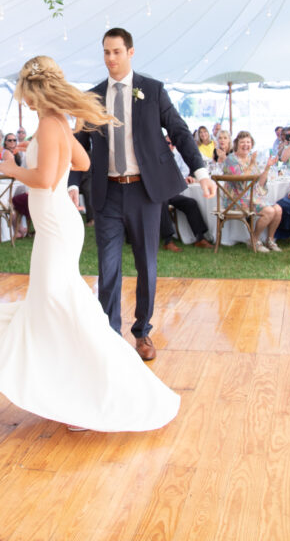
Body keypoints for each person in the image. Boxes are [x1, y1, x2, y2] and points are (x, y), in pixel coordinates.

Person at [0, 55, 180, 432]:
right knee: (52, 305)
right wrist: (56, 145)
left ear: (34, 90)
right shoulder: (55, 123)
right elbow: (84, 163)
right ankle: (68, 387)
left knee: (58, 306)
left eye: (24, 92)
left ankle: (89, 390)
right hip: (59, 223)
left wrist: (12, 168)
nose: (23, 100)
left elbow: (42, 179)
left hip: (56, 227)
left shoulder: (48, 124)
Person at [77, 28, 215, 362]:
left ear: (131, 52)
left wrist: (201, 171)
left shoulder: (152, 91)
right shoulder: (92, 97)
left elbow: (180, 132)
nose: (111, 59)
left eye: (117, 52)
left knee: (146, 265)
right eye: (106, 52)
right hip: (106, 192)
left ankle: (143, 332)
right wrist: (70, 184)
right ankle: (109, 336)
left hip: (145, 191)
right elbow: (78, 144)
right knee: (107, 266)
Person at [222, 131, 282, 252]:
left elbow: (259, 183)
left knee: (278, 209)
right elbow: (242, 181)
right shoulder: (231, 159)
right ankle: (254, 240)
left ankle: (270, 240)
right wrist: (252, 164)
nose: (246, 145)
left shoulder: (250, 159)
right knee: (269, 211)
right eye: (242, 142)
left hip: (251, 197)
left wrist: (267, 167)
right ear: (236, 144)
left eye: (248, 142)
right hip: (236, 199)